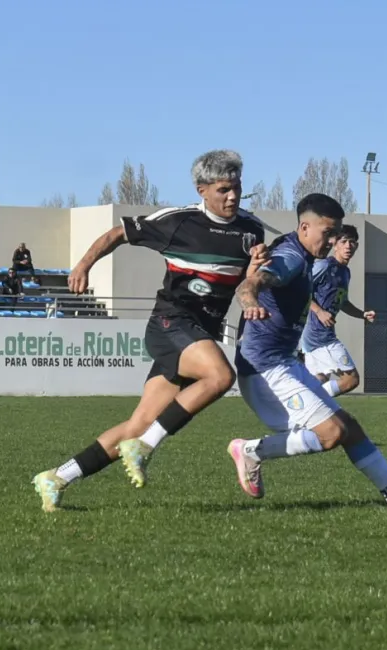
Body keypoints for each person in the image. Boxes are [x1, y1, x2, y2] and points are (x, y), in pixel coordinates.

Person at [32, 149, 268, 512]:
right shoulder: (178, 222)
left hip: (199, 334)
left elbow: (245, 283)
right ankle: (147, 446)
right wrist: (83, 265)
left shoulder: (251, 230)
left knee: (139, 424)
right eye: (223, 189)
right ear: (202, 190)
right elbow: (117, 233)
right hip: (170, 323)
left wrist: (253, 283)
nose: (232, 196)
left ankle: (57, 477)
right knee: (220, 376)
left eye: (236, 188)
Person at [227, 193, 387, 512]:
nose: (333, 239)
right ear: (304, 227)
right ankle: (251, 451)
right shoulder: (292, 257)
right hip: (264, 371)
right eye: (327, 232)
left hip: (285, 363)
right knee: (332, 432)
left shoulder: (308, 258)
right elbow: (254, 282)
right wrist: (250, 298)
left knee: (349, 427)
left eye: (336, 233)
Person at [300, 225, 374, 397]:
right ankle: (307, 403)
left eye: (353, 242)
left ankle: (302, 406)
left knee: (319, 379)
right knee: (351, 380)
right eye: (344, 241)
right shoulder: (325, 265)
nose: (348, 246)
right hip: (320, 336)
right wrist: (319, 311)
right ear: (334, 244)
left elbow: (343, 303)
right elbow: (301, 290)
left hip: (317, 336)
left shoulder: (345, 272)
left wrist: (362, 314)